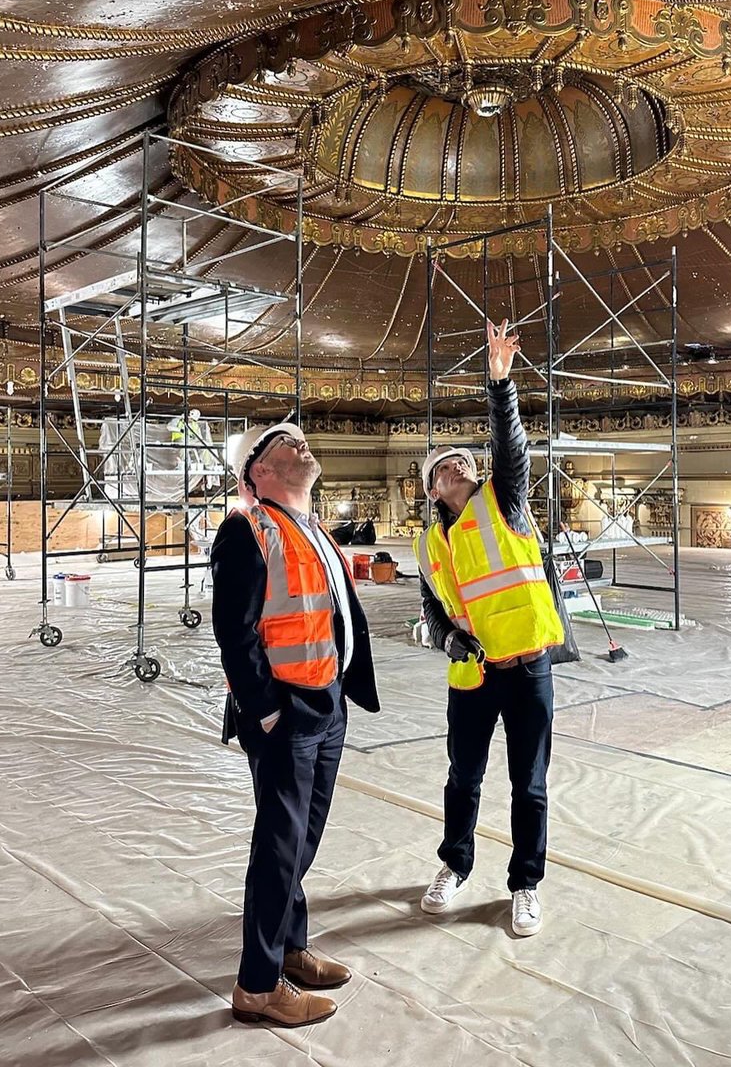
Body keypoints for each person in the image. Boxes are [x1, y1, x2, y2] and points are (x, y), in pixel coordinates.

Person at [211, 420, 380, 1027]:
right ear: (259, 469)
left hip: (324, 700)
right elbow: (235, 632)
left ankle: (288, 947)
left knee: (301, 838)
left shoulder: (313, 531)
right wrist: (266, 709)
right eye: (287, 442)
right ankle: (257, 985)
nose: (302, 442)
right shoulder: (247, 530)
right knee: (281, 845)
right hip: (285, 709)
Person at [414, 319, 565, 937]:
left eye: (460, 460)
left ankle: (525, 884)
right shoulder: (429, 544)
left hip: (527, 666)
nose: (456, 466)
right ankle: (455, 865)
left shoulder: (504, 504)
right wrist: (451, 639)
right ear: (431, 490)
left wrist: (500, 384)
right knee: (462, 778)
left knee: (527, 784)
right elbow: (434, 609)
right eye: (443, 466)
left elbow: (511, 451)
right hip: (471, 675)